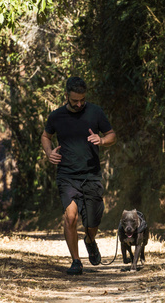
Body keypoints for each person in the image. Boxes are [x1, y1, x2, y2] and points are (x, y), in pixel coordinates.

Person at [41, 76, 116, 275]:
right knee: (71, 217)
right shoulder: (56, 116)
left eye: (82, 100)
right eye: (75, 100)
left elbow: (112, 135)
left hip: (91, 175)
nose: (79, 104)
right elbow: (45, 136)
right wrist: (49, 153)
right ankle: (76, 261)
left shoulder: (95, 112)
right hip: (66, 175)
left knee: (93, 221)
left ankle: (90, 240)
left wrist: (101, 139)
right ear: (66, 95)